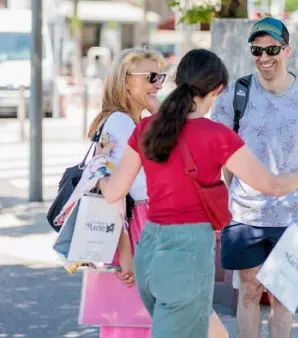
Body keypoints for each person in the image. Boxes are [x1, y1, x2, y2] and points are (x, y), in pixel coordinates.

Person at [94, 48, 298, 338]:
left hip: (148, 249)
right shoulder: (217, 136)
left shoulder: (149, 128)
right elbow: (271, 186)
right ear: (218, 90)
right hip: (187, 252)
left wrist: (100, 171)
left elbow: (113, 192)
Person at [211, 16, 298, 338]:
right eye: (256, 50)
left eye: (271, 49)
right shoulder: (236, 93)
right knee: (248, 291)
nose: (264, 58)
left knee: (282, 296)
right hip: (245, 213)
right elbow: (223, 151)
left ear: (287, 50)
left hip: (293, 215)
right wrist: (230, 191)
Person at [85, 46, 168, 338]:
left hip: (139, 221)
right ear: (125, 81)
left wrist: (157, 108)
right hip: (134, 224)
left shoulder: (129, 121)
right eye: (151, 77)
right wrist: (124, 253)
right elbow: (112, 190)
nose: (158, 84)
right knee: (133, 319)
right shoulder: (120, 123)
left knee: (132, 319)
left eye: (162, 77)